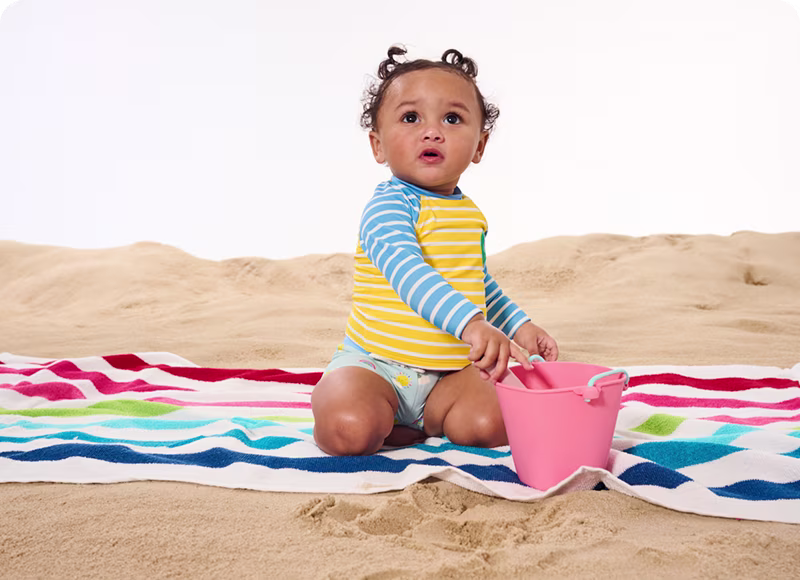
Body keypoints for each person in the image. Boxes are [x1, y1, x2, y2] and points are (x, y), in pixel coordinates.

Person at [312, 46, 558, 456]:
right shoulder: (388, 206)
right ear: (378, 145)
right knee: (347, 428)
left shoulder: (468, 214)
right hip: (376, 365)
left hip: (449, 374)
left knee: (493, 424)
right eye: (411, 118)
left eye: (452, 119)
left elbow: (475, 282)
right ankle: (360, 406)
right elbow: (409, 273)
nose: (432, 132)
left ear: (479, 146)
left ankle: (425, 421)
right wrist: (472, 325)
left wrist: (518, 326)